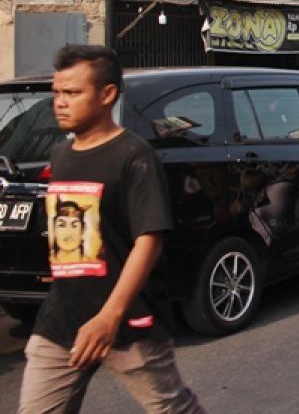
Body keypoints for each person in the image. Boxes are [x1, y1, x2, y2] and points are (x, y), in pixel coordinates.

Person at [19, 45, 205, 414]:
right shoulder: (61, 154)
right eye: (56, 93)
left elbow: (149, 240)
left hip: (127, 320)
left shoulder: (133, 156)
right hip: (62, 320)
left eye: (72, 93)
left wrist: (109, 315)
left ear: (107, 95)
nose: (60, 102)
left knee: (172, 409)